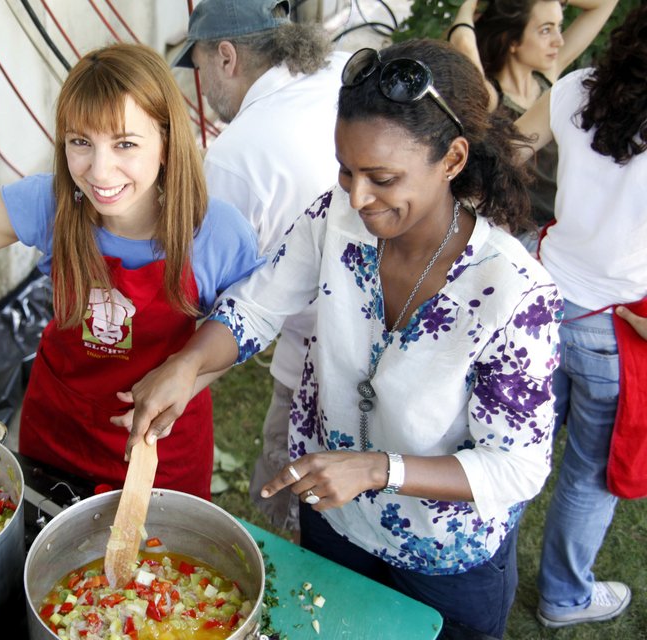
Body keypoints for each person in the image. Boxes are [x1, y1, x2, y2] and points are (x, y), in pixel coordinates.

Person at [122, 39, 563, 637]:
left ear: (453, 159)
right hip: (336, 520)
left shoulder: (513, 293)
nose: (358, 197)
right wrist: (188, 362)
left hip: (441, 559)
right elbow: (256, 306)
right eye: (346, 169)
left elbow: (516, 466)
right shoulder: (337, 217)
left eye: (382, 178)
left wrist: (380, 469)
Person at [0, 42, 264, 501]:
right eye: (81, 143)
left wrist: (188, 377)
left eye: (126, 144)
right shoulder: (49, 202)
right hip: (58, 430)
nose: (100, 170)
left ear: (167, 143)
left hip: (162, 444)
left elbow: (247, 330)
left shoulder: (217, 231)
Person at [172, 0, 349, 535]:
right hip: (374, 349)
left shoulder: (235, 155)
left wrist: (183, 370)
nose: (201, 85)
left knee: (292, 514)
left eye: (199, 67)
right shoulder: (341, 69)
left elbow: (209, 296)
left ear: (226, 56)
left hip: (313, 372)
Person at [515, 4, 646, 627]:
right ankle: (565, 597)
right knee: (587, 475)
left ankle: (482, 558)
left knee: (515, 446)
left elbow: (511, 144)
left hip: (541, 298)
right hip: (615, 323)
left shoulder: (578, 89)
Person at [447, 0, 618, 236]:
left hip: (571, 224)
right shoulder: (490, 96)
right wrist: (467, 5)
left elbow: (605, 4)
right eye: (546, 30)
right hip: (526, 235)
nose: (558, 40)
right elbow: (464, 44)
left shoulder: (548, 80)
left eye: (559, 27)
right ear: (512, 40)